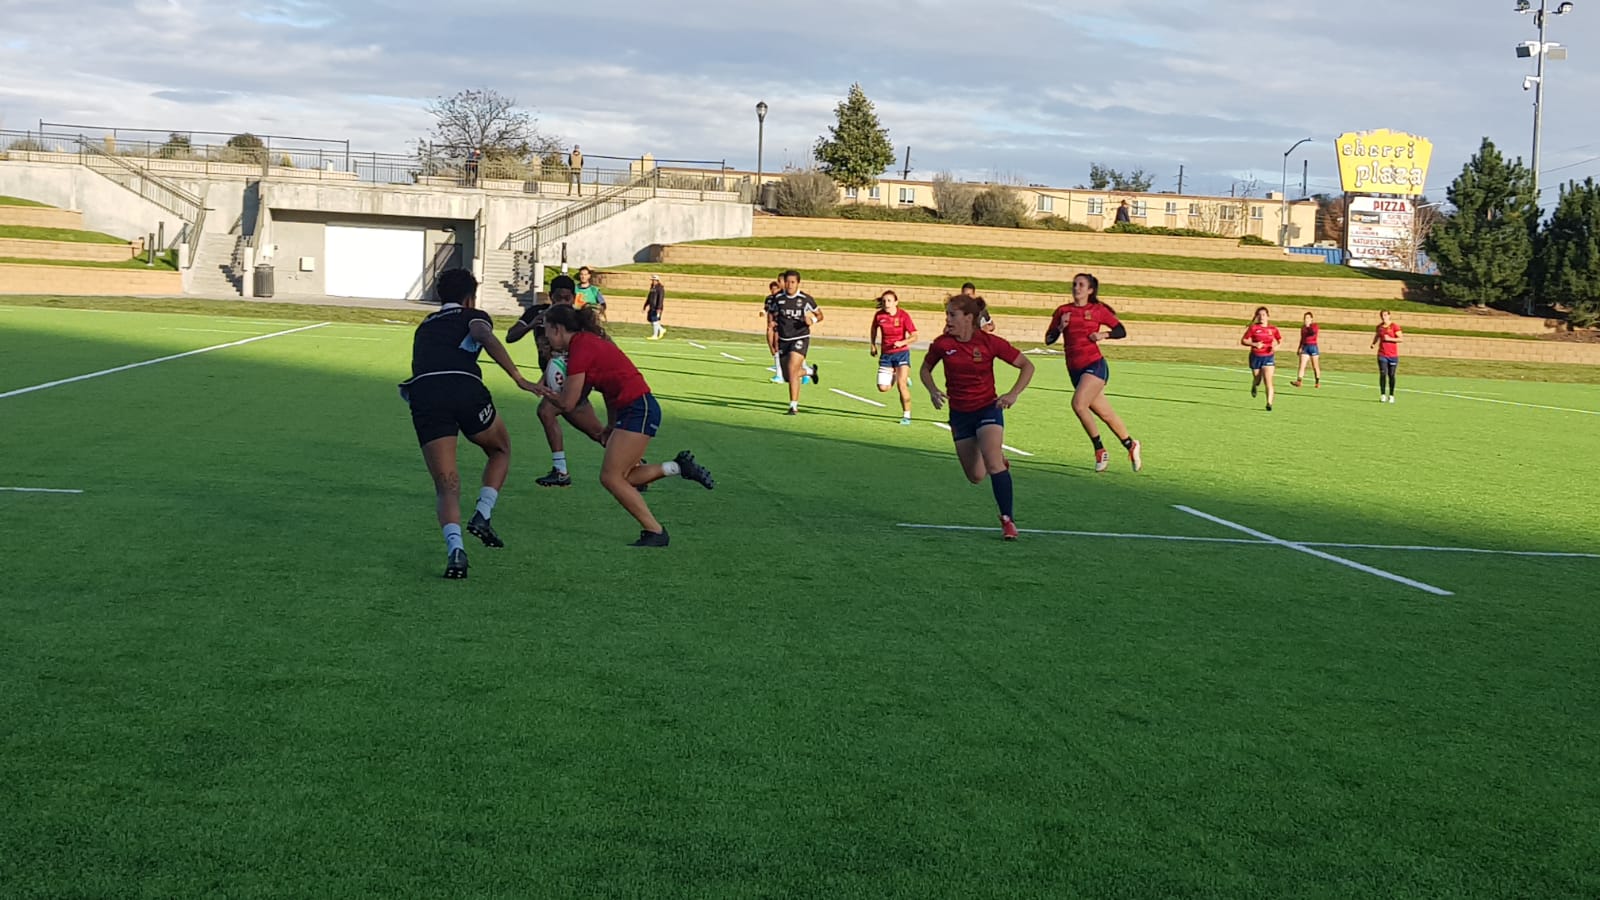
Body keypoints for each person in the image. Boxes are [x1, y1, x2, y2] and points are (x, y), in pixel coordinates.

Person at [398, 269, 539, 579]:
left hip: (424, 394)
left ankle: (456, 550)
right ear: (469, 298)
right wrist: (519, 378)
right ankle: (483, 514)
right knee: (501, 449)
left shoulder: (425, 324)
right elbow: (482, 335)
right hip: (463, 388)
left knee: (446, 484)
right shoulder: (473, 315)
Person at [537, 304, 715, 546]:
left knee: (611, 477)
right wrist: (611, 425)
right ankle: (677, 467)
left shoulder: (581, 347)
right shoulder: (584, 343)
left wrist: (542, 390)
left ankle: (655, 531)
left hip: (638, 409)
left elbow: (568, 403)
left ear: (558, 329)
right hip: (635, 408)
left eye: (547, 329)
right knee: (625, 477)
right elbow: (609, 388)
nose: (546, 336)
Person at [920, 294, 1035, 540]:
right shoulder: (942, 344)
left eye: (952, 315)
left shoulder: (989, 342)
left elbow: (1027, 365)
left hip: (987, 409)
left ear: (968, 318)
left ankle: (1008, 520)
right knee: (976, 476)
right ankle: (997, 459)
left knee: (993, 464)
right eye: (947, 314)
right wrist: (933, 390)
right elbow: (925, 369)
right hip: (960, 416)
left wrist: (1013, 394)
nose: (947, 319)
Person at [506, 274, 606, 487]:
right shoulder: (538, 313)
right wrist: (531, 324)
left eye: (567, 298)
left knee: (546, 411)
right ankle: (637, 464)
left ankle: (561, 471)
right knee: (597, 432)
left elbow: (589, 347)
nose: (562, 302)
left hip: (574, 380)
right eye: (558, 298)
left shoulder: (575, 319)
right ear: (550, 297)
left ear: (574, 298)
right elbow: (510, 336)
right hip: (557, 380)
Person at [1045, 273, 1142, 473]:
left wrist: (1104, 334)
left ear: (1090, 290)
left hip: (1095, 365)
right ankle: (1130, 444)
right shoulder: (1063, 311)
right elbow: (1048, 339)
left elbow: (1121, 330)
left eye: (1081, 285)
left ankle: (1099, 450)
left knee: (1078, 404)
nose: (1076, 288)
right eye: (1074, 284)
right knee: (1106, 414)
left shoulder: (1098, 310)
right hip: (1074, 369)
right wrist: (1061, 327)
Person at [767, 269, 824, 414]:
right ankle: (810, 371)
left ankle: (793, 406)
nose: (790, 285)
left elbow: (820, 315)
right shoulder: (778, 298)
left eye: (793, 282)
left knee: (792, 370)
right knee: (788, 376)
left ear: (798, 283)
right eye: (787, 282)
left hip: (800, 337)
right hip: (784, 339)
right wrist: (772, 323)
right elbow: (772, 314)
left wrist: (812, 320)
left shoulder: (805, 299)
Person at [868, 290, 917, 425]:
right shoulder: (879, 316)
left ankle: (906, 415)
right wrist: (873, 344)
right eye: (884, 301)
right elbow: (873, 328)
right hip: (886, 355)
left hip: (901, 353)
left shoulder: (903, 316)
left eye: (889, 301)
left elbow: (914, 335)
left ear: (896, 302)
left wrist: (902, 342)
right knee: (883, 387)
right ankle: (895, 375)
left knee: (902, 385)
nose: (886, 303)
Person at [1241, 306, 1282, 412]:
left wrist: (1276, 347)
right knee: (1258, 380)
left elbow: (1280, 340)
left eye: (1263, 315)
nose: (1261, 317)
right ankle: (1254, 385)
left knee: (1268, 381)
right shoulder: (1253, 328)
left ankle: (1269, 403)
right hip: (1256, 357)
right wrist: (1255, 344)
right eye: (1259, 315)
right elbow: (1244, 340)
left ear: (1268, 316)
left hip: (1268, 357)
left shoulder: (1273, 329)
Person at [1372, 309, 1402, 403]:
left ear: (1389, 316)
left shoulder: (1394, 326)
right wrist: (1373, 343)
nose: (1383, 317)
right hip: (1382, 354)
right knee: (1383, 373)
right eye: (1382, 315)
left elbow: (1400, 339)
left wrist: (1390, 339)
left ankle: (1391, 395)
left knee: (1391, 375)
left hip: (1392, 355)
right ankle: (1383, 395)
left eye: (1385, 315)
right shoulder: (1379, 327)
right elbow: (1377, 336)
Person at [1291, 311, 1322, 389]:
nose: (1306, 320)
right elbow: (1302, 338)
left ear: (1311, 319)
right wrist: (1299, 347)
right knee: (1302, 365)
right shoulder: (1303, 328)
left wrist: (1308, 326)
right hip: (1305, 347)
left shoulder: (1314, 326)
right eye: (1305, 318)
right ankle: (1299, 381)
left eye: (1308, 318)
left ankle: (1317, 381)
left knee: (1315, 366)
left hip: (1313, 347)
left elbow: (1312, 333)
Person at [644, 275, 666, 340]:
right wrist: (645, 305)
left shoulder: (660, 288)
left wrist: (659, 308)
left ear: (657, 281)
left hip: (656, 308)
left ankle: (655, 335)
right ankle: (661, 329)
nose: (653, 281)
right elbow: (649, 297)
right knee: (651, 319)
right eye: (652, 280)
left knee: (655, 320)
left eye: (654, 280)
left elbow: (660, 299)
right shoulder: (652, 288)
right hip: (652, 307)